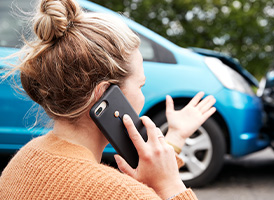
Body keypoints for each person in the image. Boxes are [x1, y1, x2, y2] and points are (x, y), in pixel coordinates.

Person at [0, 0, 217, 199]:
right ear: (104, 95)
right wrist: (171, 185)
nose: (142, 95)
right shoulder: (123, 193)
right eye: (141, 85)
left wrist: (175, 138)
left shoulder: (24, 159)